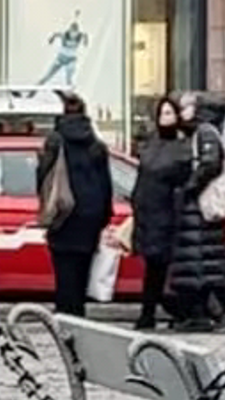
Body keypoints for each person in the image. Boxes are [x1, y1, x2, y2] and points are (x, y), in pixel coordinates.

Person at [35, 86, 114, 315]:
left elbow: (44, 179)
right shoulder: (96, 146)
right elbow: (106, 185)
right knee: (82, 274)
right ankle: (79, 318)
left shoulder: (55, 141)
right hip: (89, 219)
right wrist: (103, 217)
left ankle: (65, 318)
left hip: (62, 215)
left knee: (64, 275)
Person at [126, 88, 199, 322]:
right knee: (153, 267)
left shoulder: (183, 146)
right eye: (162, 113)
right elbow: (143, 175)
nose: (165, 117)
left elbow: (188, 179)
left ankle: (168, 312)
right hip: (147, 214)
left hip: (168, 215)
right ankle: (150, 312)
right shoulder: (151, 144)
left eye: (169, 113)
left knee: (165, 268)